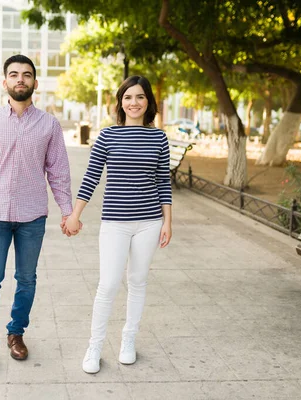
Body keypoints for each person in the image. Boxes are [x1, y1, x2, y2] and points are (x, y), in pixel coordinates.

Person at [0, 54, 73, 379]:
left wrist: (68, 212)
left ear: (35, 83)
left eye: (26, 75)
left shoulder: (49, 125)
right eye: (14, 75)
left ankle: (16, 333)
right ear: (5, 83)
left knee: (26, 280)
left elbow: (59, 172)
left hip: (32, 218)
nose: (20, 80)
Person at [63, 75, 172, 374]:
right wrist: (75, 214)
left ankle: (128, 341)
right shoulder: (108, 136)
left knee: (137, 282)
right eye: (128, 97)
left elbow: (163, 182)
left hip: (149, 222)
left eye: (139, 97)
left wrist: (167, 222)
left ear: (148, 102)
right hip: (115, 223)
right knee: (108, 284)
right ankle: (95, 346)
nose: (133, 103)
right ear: (120, 102)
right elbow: (91, 178)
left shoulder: (159, 138)